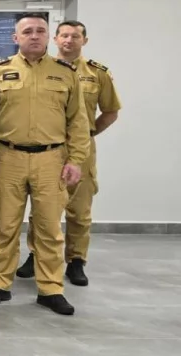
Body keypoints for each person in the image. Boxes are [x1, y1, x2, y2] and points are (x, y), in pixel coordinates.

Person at [0, 13, 90, 315]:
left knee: (49, 229)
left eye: (40, 31)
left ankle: (50, 289)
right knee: (5, 226)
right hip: (8, 157)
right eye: (27, 31)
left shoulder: (65, 73)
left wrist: (76, 160)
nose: (34, 36)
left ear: (48, 36)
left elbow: (78, 121)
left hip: (51, 159)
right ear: (15, 38)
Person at [17, 20, 120, 286]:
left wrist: (88, 134)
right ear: (55, 39)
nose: (68, 40)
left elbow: (110, 111)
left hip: (80, 150)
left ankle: (76, 260)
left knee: (79, 208)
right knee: (41, 206)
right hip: (47, 148)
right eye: (63, 35)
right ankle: (36, 255)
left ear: (84, 40)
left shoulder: (97, 73)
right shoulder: (43, 69)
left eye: (75, 36)